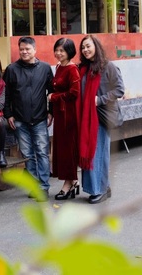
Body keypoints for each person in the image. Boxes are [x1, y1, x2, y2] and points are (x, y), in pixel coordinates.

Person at [3, 36, 54, 199]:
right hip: (19, 120)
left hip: (39, 119)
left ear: (35, 50)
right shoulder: (12, 69)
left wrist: (51, 111)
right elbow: (6, 95)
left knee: (42, 153)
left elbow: (51, 92)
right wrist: (8, 114)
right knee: (27, 154)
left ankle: (44, 187)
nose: (24, 52)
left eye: (27, 49)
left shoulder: (45, 68)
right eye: (22, 49)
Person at [79, 34, 125, 204]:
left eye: (88, 46)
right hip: (86, 118)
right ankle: (100, 187)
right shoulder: (83, 69)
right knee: (91, 153)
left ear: (96, 47)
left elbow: (120, 90)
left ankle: (101, 190)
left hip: (101, 116)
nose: (86, 50)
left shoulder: (108, 67)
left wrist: (100, 99)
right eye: (83, 47)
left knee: (98, 154)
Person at [47, 38, 81, 200]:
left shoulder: (72, 69)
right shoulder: (59, 67)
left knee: (68, 150)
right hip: (60, 114)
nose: (59, 53)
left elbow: (74, 93)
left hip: (69, 115)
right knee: (61, 149)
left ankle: (68, 184)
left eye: (62, 50)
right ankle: (73, 181)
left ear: (70, 52)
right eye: (57, 50)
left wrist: (54, 97)